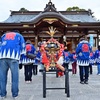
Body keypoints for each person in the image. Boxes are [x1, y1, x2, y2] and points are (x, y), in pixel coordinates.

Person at [0, 31, 26, 99]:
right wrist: (21, 60)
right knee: (15, 77)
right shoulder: (19, 36)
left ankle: (2, 94)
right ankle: (15, 94)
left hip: (2, 57)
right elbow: (23, 47)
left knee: (2, 77)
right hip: (14, 57)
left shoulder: (3, 35)